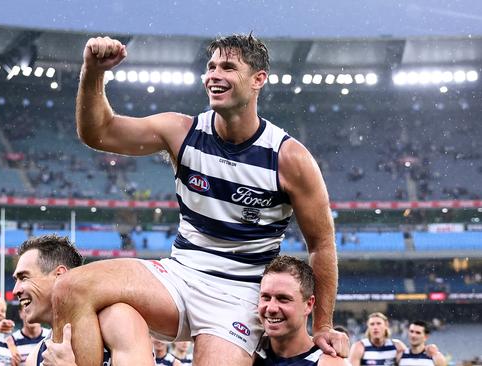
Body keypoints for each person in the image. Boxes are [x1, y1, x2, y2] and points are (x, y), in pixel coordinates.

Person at [50, 34, 347, 366]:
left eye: (228, 67)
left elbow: (321, 243)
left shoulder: (289, 158)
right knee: (69, 288)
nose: (214, 75)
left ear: (258, 80)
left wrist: (323, 325)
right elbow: (97, 132)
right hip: (179, 277)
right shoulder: (182, 132)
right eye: (211, 66)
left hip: (239, 296)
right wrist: (93, 71)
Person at [11, 234, 154, 366]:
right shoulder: (36, 357)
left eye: (24, 278)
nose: (15, 290)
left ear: (60, 276)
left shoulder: (118, 320)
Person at [253, 255, 347, 366]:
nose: (271, 308)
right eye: (266, 297)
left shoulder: (328, 362)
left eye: (283, 299)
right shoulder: (245, 352)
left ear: (308, 304)